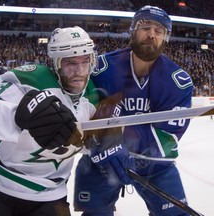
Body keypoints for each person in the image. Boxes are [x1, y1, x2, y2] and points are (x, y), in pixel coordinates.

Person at [0, 26, 99, 216]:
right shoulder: (29, 79)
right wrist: (18, 116)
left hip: (51, 197)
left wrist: (107, 145)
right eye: (70, 63)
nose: (80, 72)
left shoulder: (94, 95)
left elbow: (93, 142)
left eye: (86, 62)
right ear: (55, 64)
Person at [74, 5, 194, 216]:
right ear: (132, 30)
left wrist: (116, 132)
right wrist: (107, 143)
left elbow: (166, 140)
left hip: (154, 165)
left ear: (166, 38)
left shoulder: (178, 82)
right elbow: (83, 114)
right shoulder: (101, 69)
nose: (151, 34)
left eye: (159, 31)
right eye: (145, 26)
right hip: (103, 160)